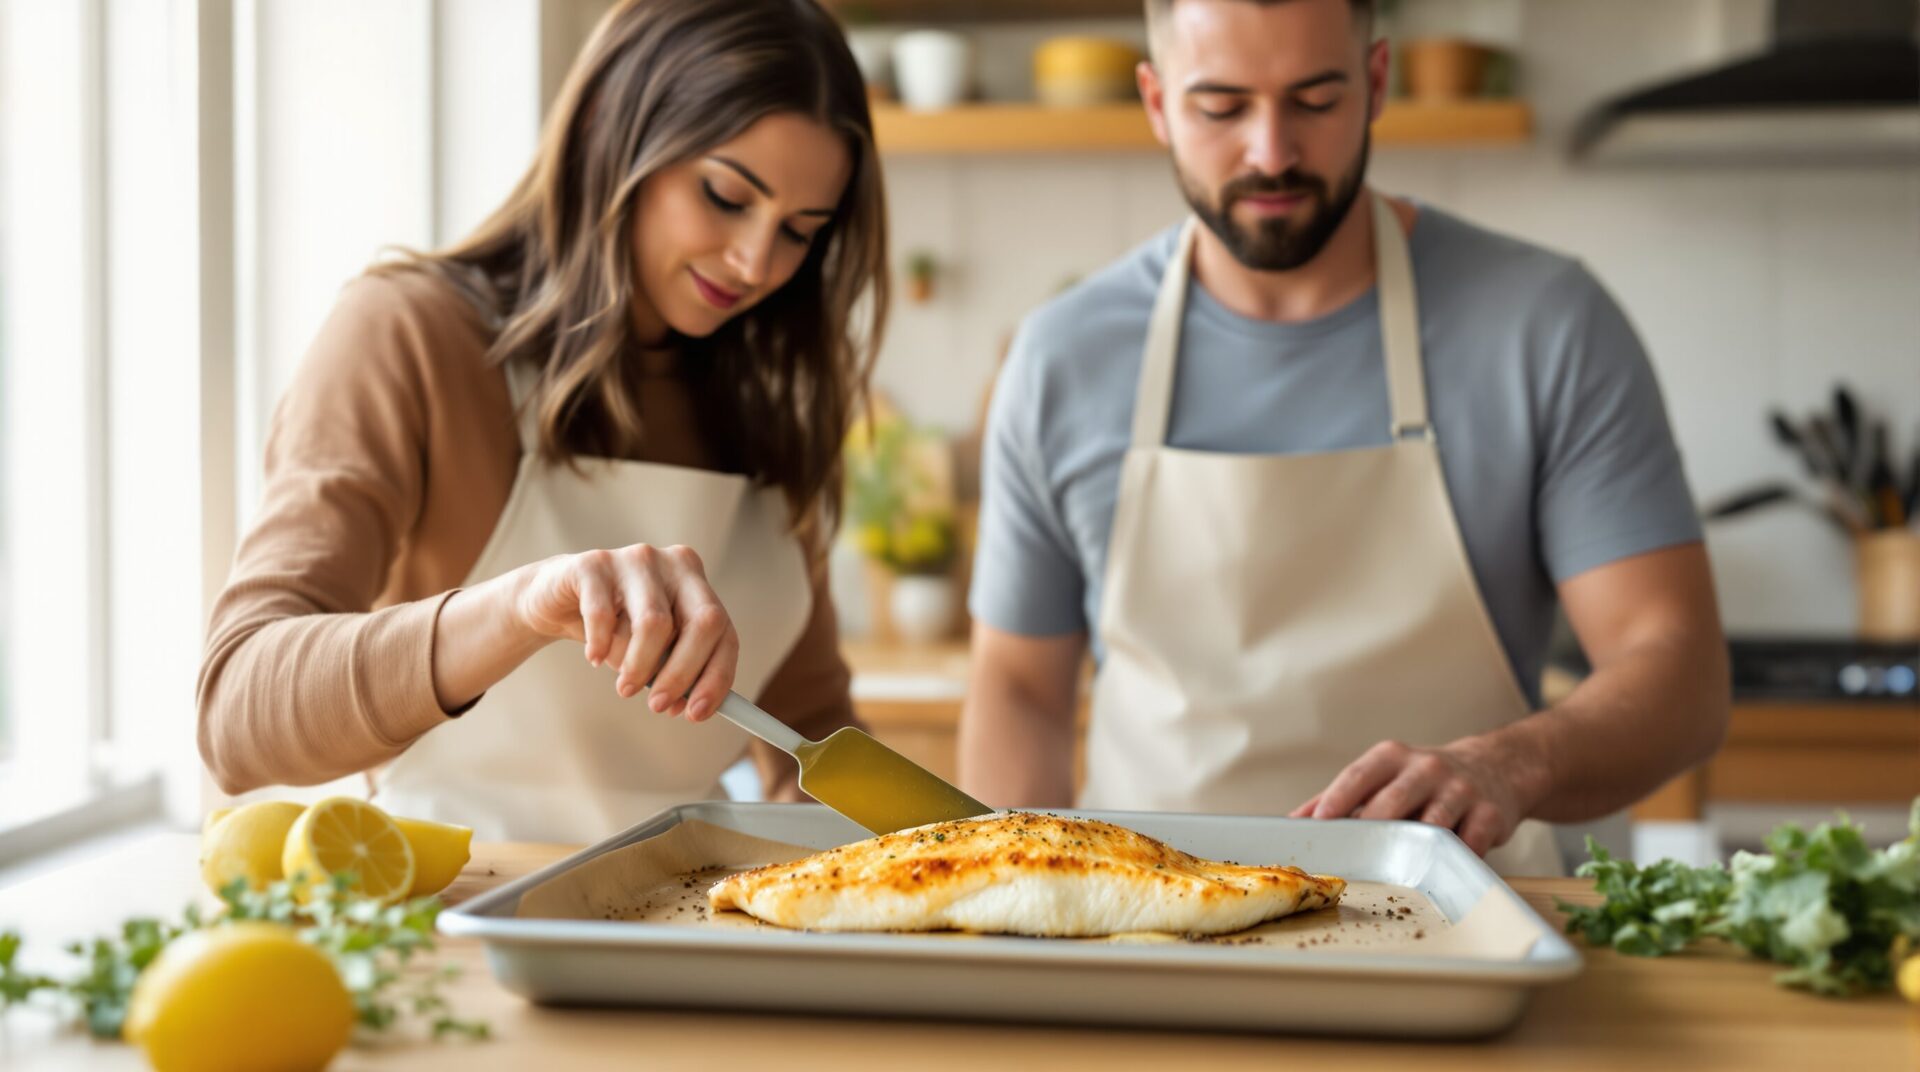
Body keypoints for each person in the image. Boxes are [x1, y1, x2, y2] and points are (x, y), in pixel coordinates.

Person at [957, 0, 1730, 874]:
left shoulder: (1545, 326)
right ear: (1157, 101)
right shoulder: (1063, 357)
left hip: (1463, 930)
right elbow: (1020, 691)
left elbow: (1679, 675)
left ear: (1375, 82)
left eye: (1316, 101)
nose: (1273, 151)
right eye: (1222, 108)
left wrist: (1511, 763)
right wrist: (1010, 909)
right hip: (1146, 940)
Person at [197, 0, 889, 843]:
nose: (756, 262)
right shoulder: (411, 335)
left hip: (682, 923)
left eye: (800, 233)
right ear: (607, 123)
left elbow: (812, 734)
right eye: (725, 195)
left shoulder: (768, 404)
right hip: (457, 925)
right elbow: (236, 718)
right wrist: (520, 609)